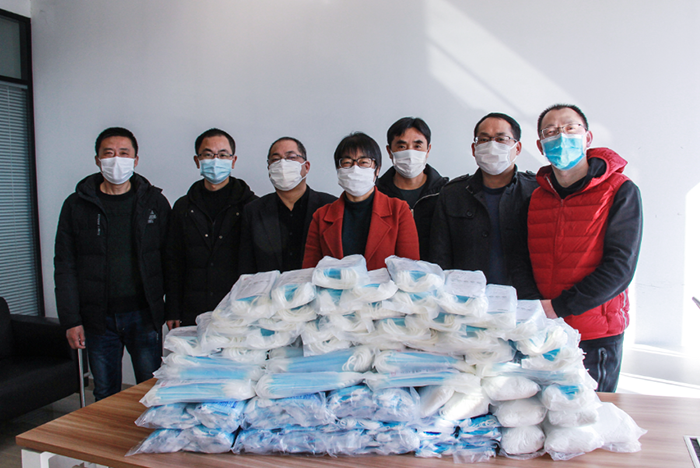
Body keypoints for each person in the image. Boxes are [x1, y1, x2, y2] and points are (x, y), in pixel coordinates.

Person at [528, 104, 643, 392]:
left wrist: (558, 307)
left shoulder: (619, 189)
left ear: (587, 137)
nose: (561, 137)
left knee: (593, 412)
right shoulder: (537, 196)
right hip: (546, 329)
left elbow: (620, 268)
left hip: (596, 334)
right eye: (550, 132)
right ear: (541, 146)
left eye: (570, 128)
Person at [54, 127, 170, 401]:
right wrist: (71, 320)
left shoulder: (154, 202)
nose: (116, 160)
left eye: (124, 153)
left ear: (136, 160)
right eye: (109, 153)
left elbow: (170, 257)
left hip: (144, 314)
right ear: (97, 159)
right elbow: (65, 264)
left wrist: (169, 307)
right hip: (97, 318)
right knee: (105, 392)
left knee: (152, 390)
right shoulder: (76, 205)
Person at [429, 113, 540, 299]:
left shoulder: (536, 192)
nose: (492, 145)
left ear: (517, 148)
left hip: (523, 302)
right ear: (474, 149)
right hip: (465, 301)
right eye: (484, 139)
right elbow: (439, 257)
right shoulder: (452, 194)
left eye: (501, 139)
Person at [165, 128, 257, 329]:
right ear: (197, 160)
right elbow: (173, 261)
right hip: (193, 310)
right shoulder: (183, 207)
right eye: (208, 154)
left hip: (238, 311)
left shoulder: (251, 206)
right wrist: (172, 309)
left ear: (233, 160)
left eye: (223, 155)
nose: (216, 161)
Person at [302, 132, 419, 270]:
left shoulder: (399, 211)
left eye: (364, 162)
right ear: (338, 170)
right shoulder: (321, 217)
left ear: (377, 169)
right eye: (347, 163)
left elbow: (410, 271)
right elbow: (309, 272)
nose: (355, 168)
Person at [238, 137, 336, 274]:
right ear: (269, 168)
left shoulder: (330, 206)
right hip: (269, 288)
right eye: (275, 159)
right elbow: (246, 267)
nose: (282, 164)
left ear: (306, 167)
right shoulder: (253, 211)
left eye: (291, 157)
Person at [376, 117, 448, 259]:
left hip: (435, 271)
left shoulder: (445, 193)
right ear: (389, 151)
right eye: (402, 147)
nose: (410, 154)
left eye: (417, 146)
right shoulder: (377, 194)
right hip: (388, 271)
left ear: (428, 150)